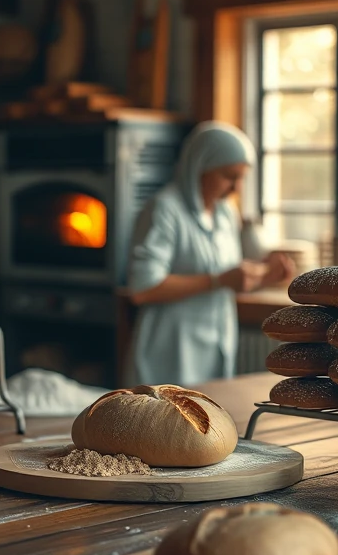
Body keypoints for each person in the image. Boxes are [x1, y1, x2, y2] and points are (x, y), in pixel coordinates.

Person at [126, 122, 294, 386]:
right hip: (170, 351)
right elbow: (143, 288)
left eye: (242, 177)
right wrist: (218, 281)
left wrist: (266, 276)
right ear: (199, 167)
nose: (237, 188)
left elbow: (227, 275)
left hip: (217, 343)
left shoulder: (225, 213)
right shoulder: (164, 210)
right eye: (229, 176)